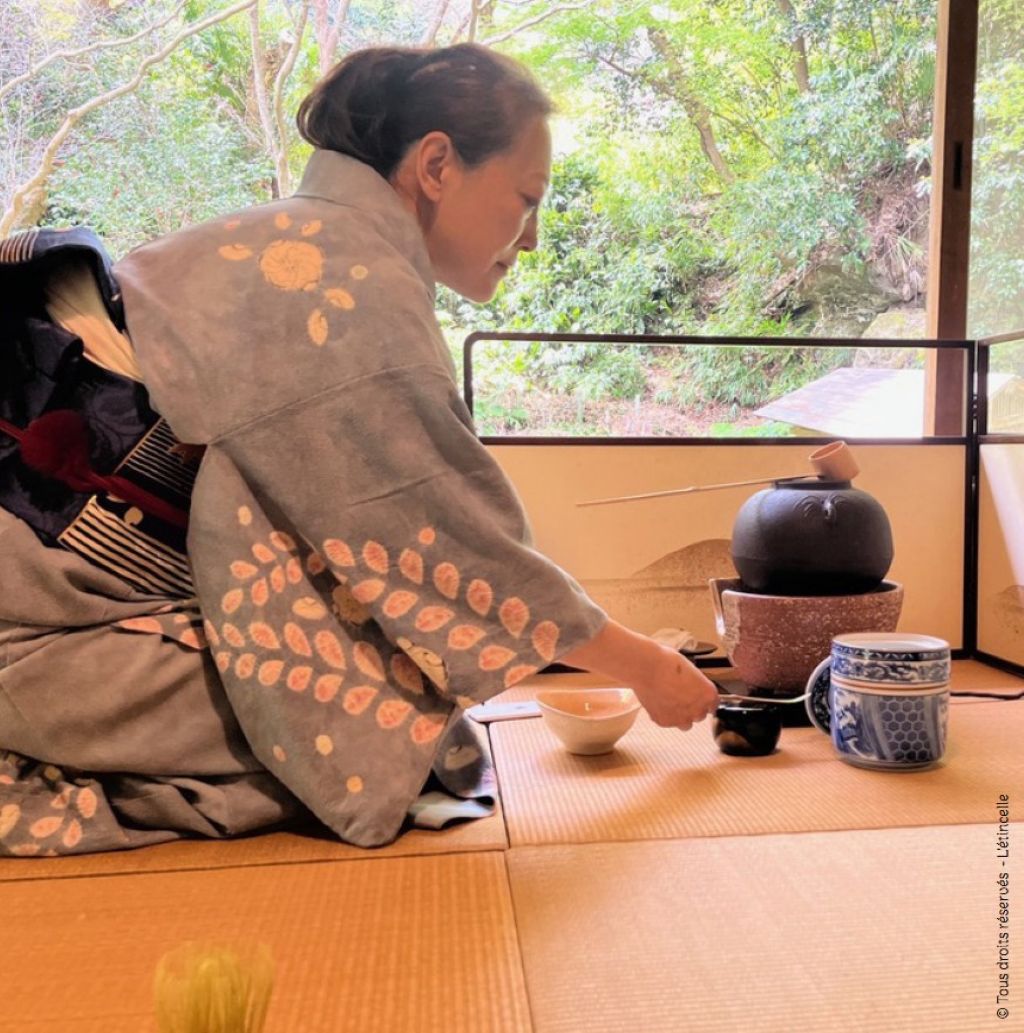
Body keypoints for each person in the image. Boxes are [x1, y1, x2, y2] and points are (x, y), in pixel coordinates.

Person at [0, 43, 718, 856]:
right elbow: (453, 547)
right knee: (377, 718)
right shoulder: (341, 285)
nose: (533, 241)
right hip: (38, 641)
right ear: (437, 164)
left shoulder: (287, 241)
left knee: (392, 688)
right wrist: (648, 668)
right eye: (528, 198)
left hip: (54, 606)